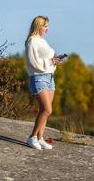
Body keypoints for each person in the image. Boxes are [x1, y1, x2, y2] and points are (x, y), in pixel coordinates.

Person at [25, 16, 62, 150]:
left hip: (49, 77)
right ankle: (32, 137)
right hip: (38, 78)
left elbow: (47, 60)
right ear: (38, 26)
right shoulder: (32, 41)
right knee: (47, 109)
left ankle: (40, 138)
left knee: (45, 111)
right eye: (45, 26)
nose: (47, 29)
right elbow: (33, 62)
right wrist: (50, 62)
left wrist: (54, 61)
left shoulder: (43, 41)